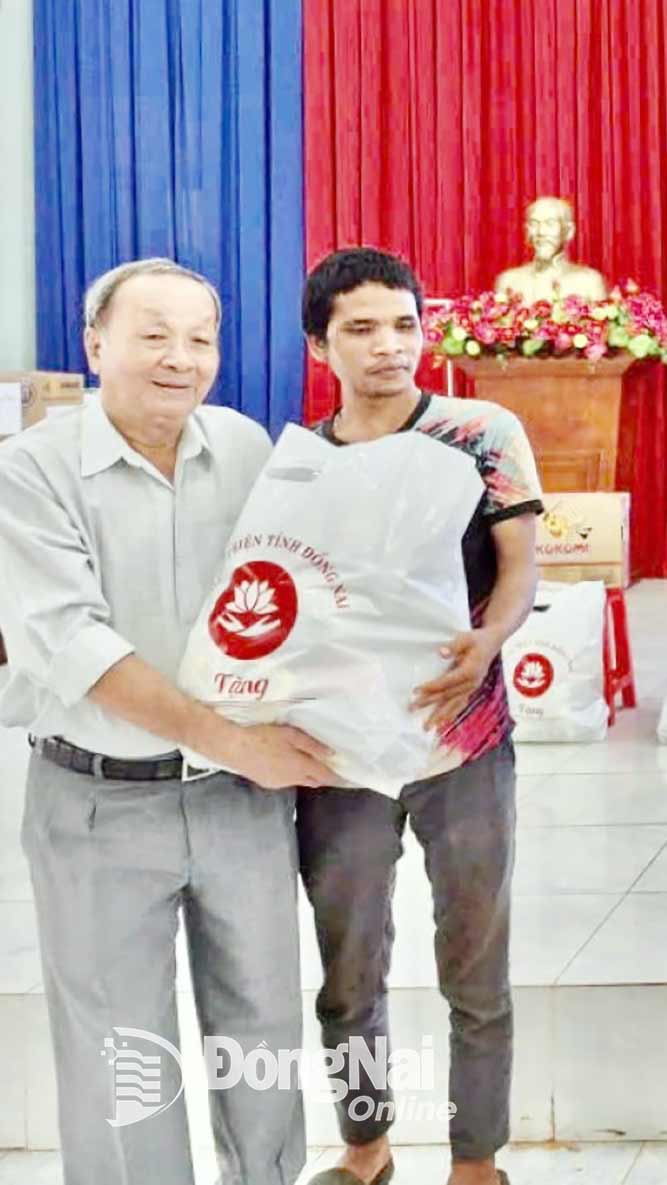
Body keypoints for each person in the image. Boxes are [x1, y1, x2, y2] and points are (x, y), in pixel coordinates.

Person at [0, 258, 334, 1185]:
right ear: (95, 344)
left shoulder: (246, 448)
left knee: (264, 1031)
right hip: (100, 804)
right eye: (153, 335)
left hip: (238, 805)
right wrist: (236, 741)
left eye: (200, 338)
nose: (180, 359)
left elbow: (304, 595)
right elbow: (75, 645)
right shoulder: (28, 472)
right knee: (121, 1050)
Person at [296, 248, 543, 1185]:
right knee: (348, 963)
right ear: (323, 345)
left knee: (475, 962)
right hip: (343, 753)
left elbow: (520, 564)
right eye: (361, 328)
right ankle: (365, 1147)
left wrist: (487, 643)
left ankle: (476, 1159)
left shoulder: (480, 430)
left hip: (465, 741)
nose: (389, 346)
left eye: (404, 324)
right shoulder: (303, 461)